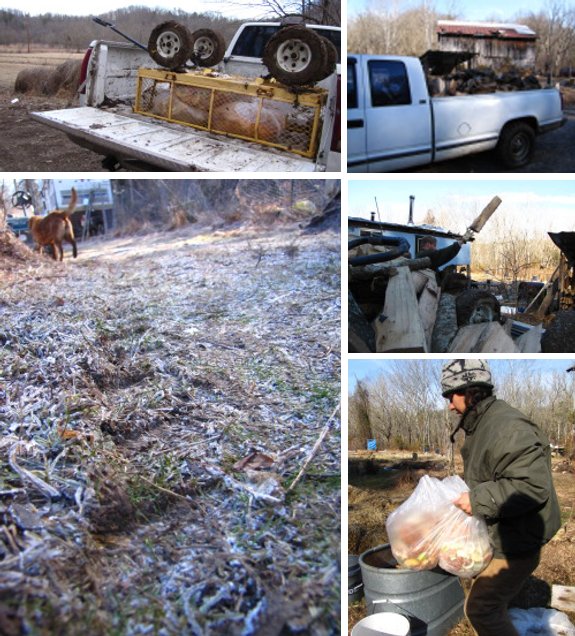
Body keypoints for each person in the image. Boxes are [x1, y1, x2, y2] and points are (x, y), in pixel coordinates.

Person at [441, 359, 561, 636]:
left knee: (481, 608)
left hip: (519, 539)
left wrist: (477, 499)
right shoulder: (483, 423)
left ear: (471, 391)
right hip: (505, 530)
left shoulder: (506, 427)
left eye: (451, 396)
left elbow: (531, 485)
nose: (449, 405)